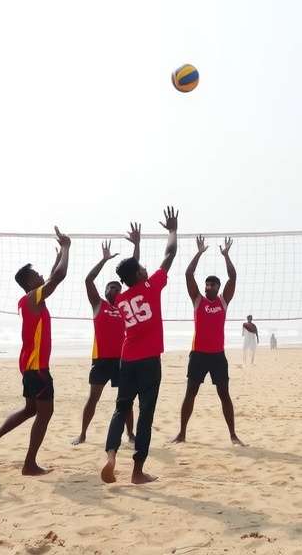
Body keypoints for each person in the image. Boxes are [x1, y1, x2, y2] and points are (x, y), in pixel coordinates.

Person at [0, 227, 71, 474]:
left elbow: (53, 276)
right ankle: (29, 464)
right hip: (36, 366)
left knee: (31, 409)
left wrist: (57, 258)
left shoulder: (32, 299)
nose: (41, 275)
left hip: (29, 364)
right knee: (45, 412)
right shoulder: (33, 298)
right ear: (29, 282)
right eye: (36, 274)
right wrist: (66, 248)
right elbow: (59, 277)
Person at [101, 207, 178, 484]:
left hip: (127, 360)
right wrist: (172, 230)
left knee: (121, 409)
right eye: (142, 268)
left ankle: (111, 455)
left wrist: (136, 246)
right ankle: (137, 472)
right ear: (140, 275)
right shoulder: (151, 286)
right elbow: (169, 255)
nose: (146, 269)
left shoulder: (120, 300)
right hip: (148, 361)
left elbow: (131, 272)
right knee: (145, 415)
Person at [172, 235, 243, 445]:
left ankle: (233, 435)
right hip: (198, 355)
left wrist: (226, 256)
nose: (208, 287)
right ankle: (182, 433)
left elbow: (233, 277)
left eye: (212, 284)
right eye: (207, 284)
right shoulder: (198, 300)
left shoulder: (223, 300)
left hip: (217, 356)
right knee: (190, 393)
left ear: (218, 288)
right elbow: (188, 274)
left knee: (224, 395)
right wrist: (200, 253)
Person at [71, 231, 140, 446]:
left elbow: (134, 277)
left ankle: (130, 434)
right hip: (101, 360)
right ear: (105, 290)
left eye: (118, 288)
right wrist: (104, 259)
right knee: (93, 398)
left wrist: (136, 246)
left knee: (126, 400)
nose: (115, 290)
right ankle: (82, 434)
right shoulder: (98, 304)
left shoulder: (124, 304)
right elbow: (88, 279)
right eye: (111, 287)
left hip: (121, 359)